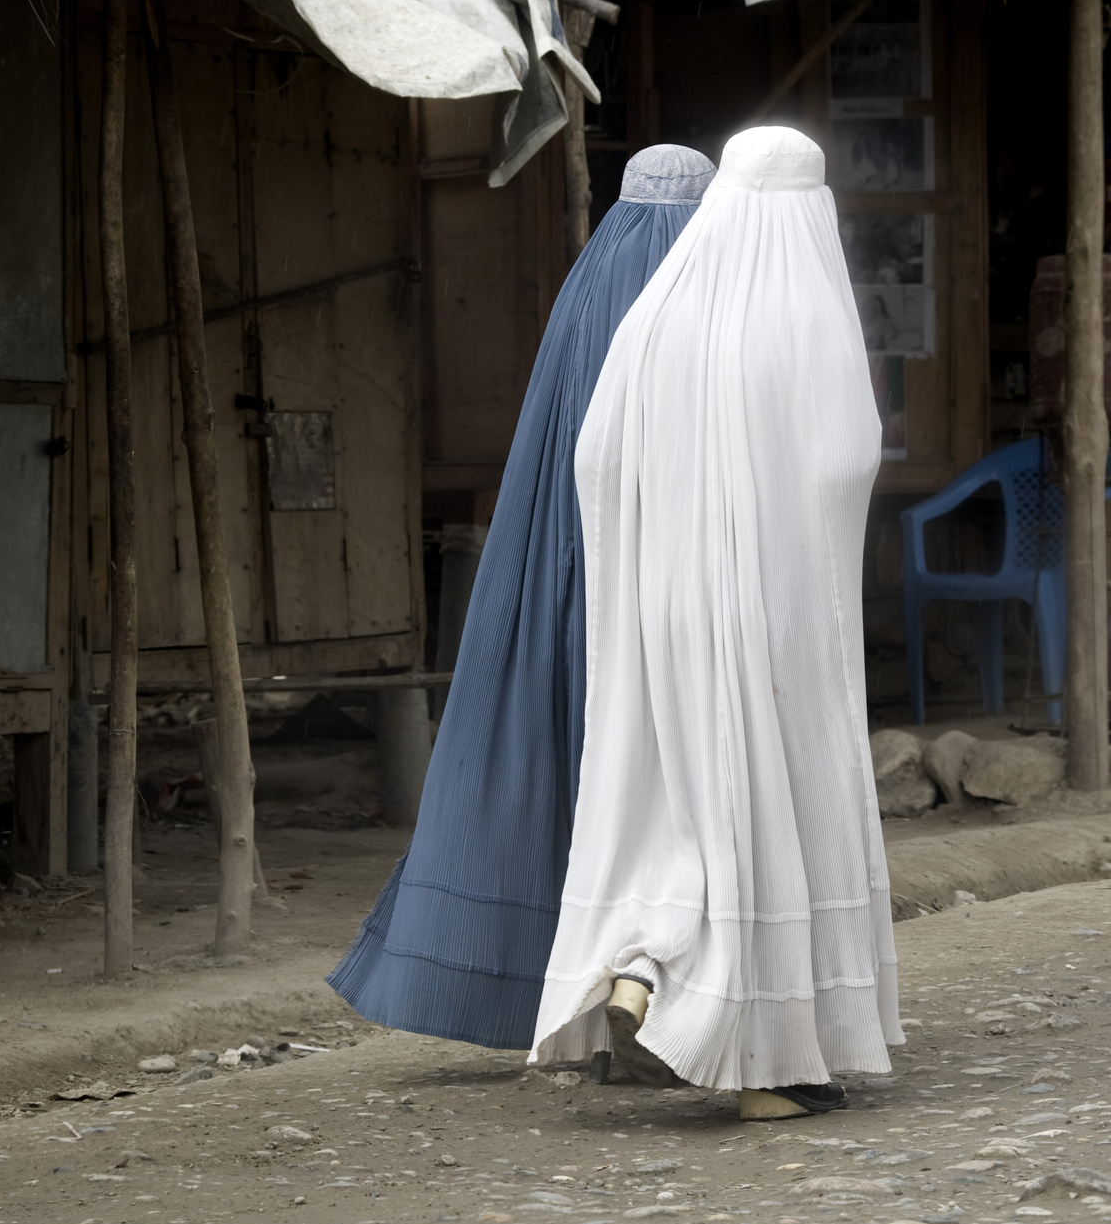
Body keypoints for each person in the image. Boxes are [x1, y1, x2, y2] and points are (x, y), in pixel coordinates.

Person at [529, 126, 902, 1120]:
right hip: (774, 613)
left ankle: (644, 969)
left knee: (679, 799)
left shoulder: (662, 312)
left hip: (667, 608)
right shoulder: (801, 312)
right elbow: (844, 461)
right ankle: (770, 1069)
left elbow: (596, 457)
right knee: (772, 808)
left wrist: (654, 557)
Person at [327, 145, 717, 1050]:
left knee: (576, 774)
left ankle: (566, 1011)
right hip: (653, 588)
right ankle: (663, 1004)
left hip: (567, 577)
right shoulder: (691, 290)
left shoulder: (587, 287)